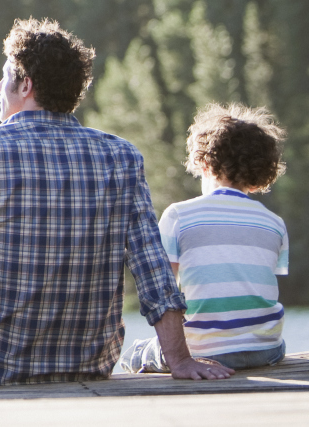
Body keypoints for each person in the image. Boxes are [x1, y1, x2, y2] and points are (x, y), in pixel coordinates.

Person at [0, 18, 231, 392]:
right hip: (90, 365)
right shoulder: (121, 156)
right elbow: (152, 268)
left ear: (25, 85)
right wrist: (179, 360)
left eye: (5, 77)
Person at [119, 103, 289, 373]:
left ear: (204, 163)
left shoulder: (178, 215)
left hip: (204, 352)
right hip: (267, 350)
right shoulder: (275, 223)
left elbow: (165, 289)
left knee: (136, 353)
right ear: (258, 180)